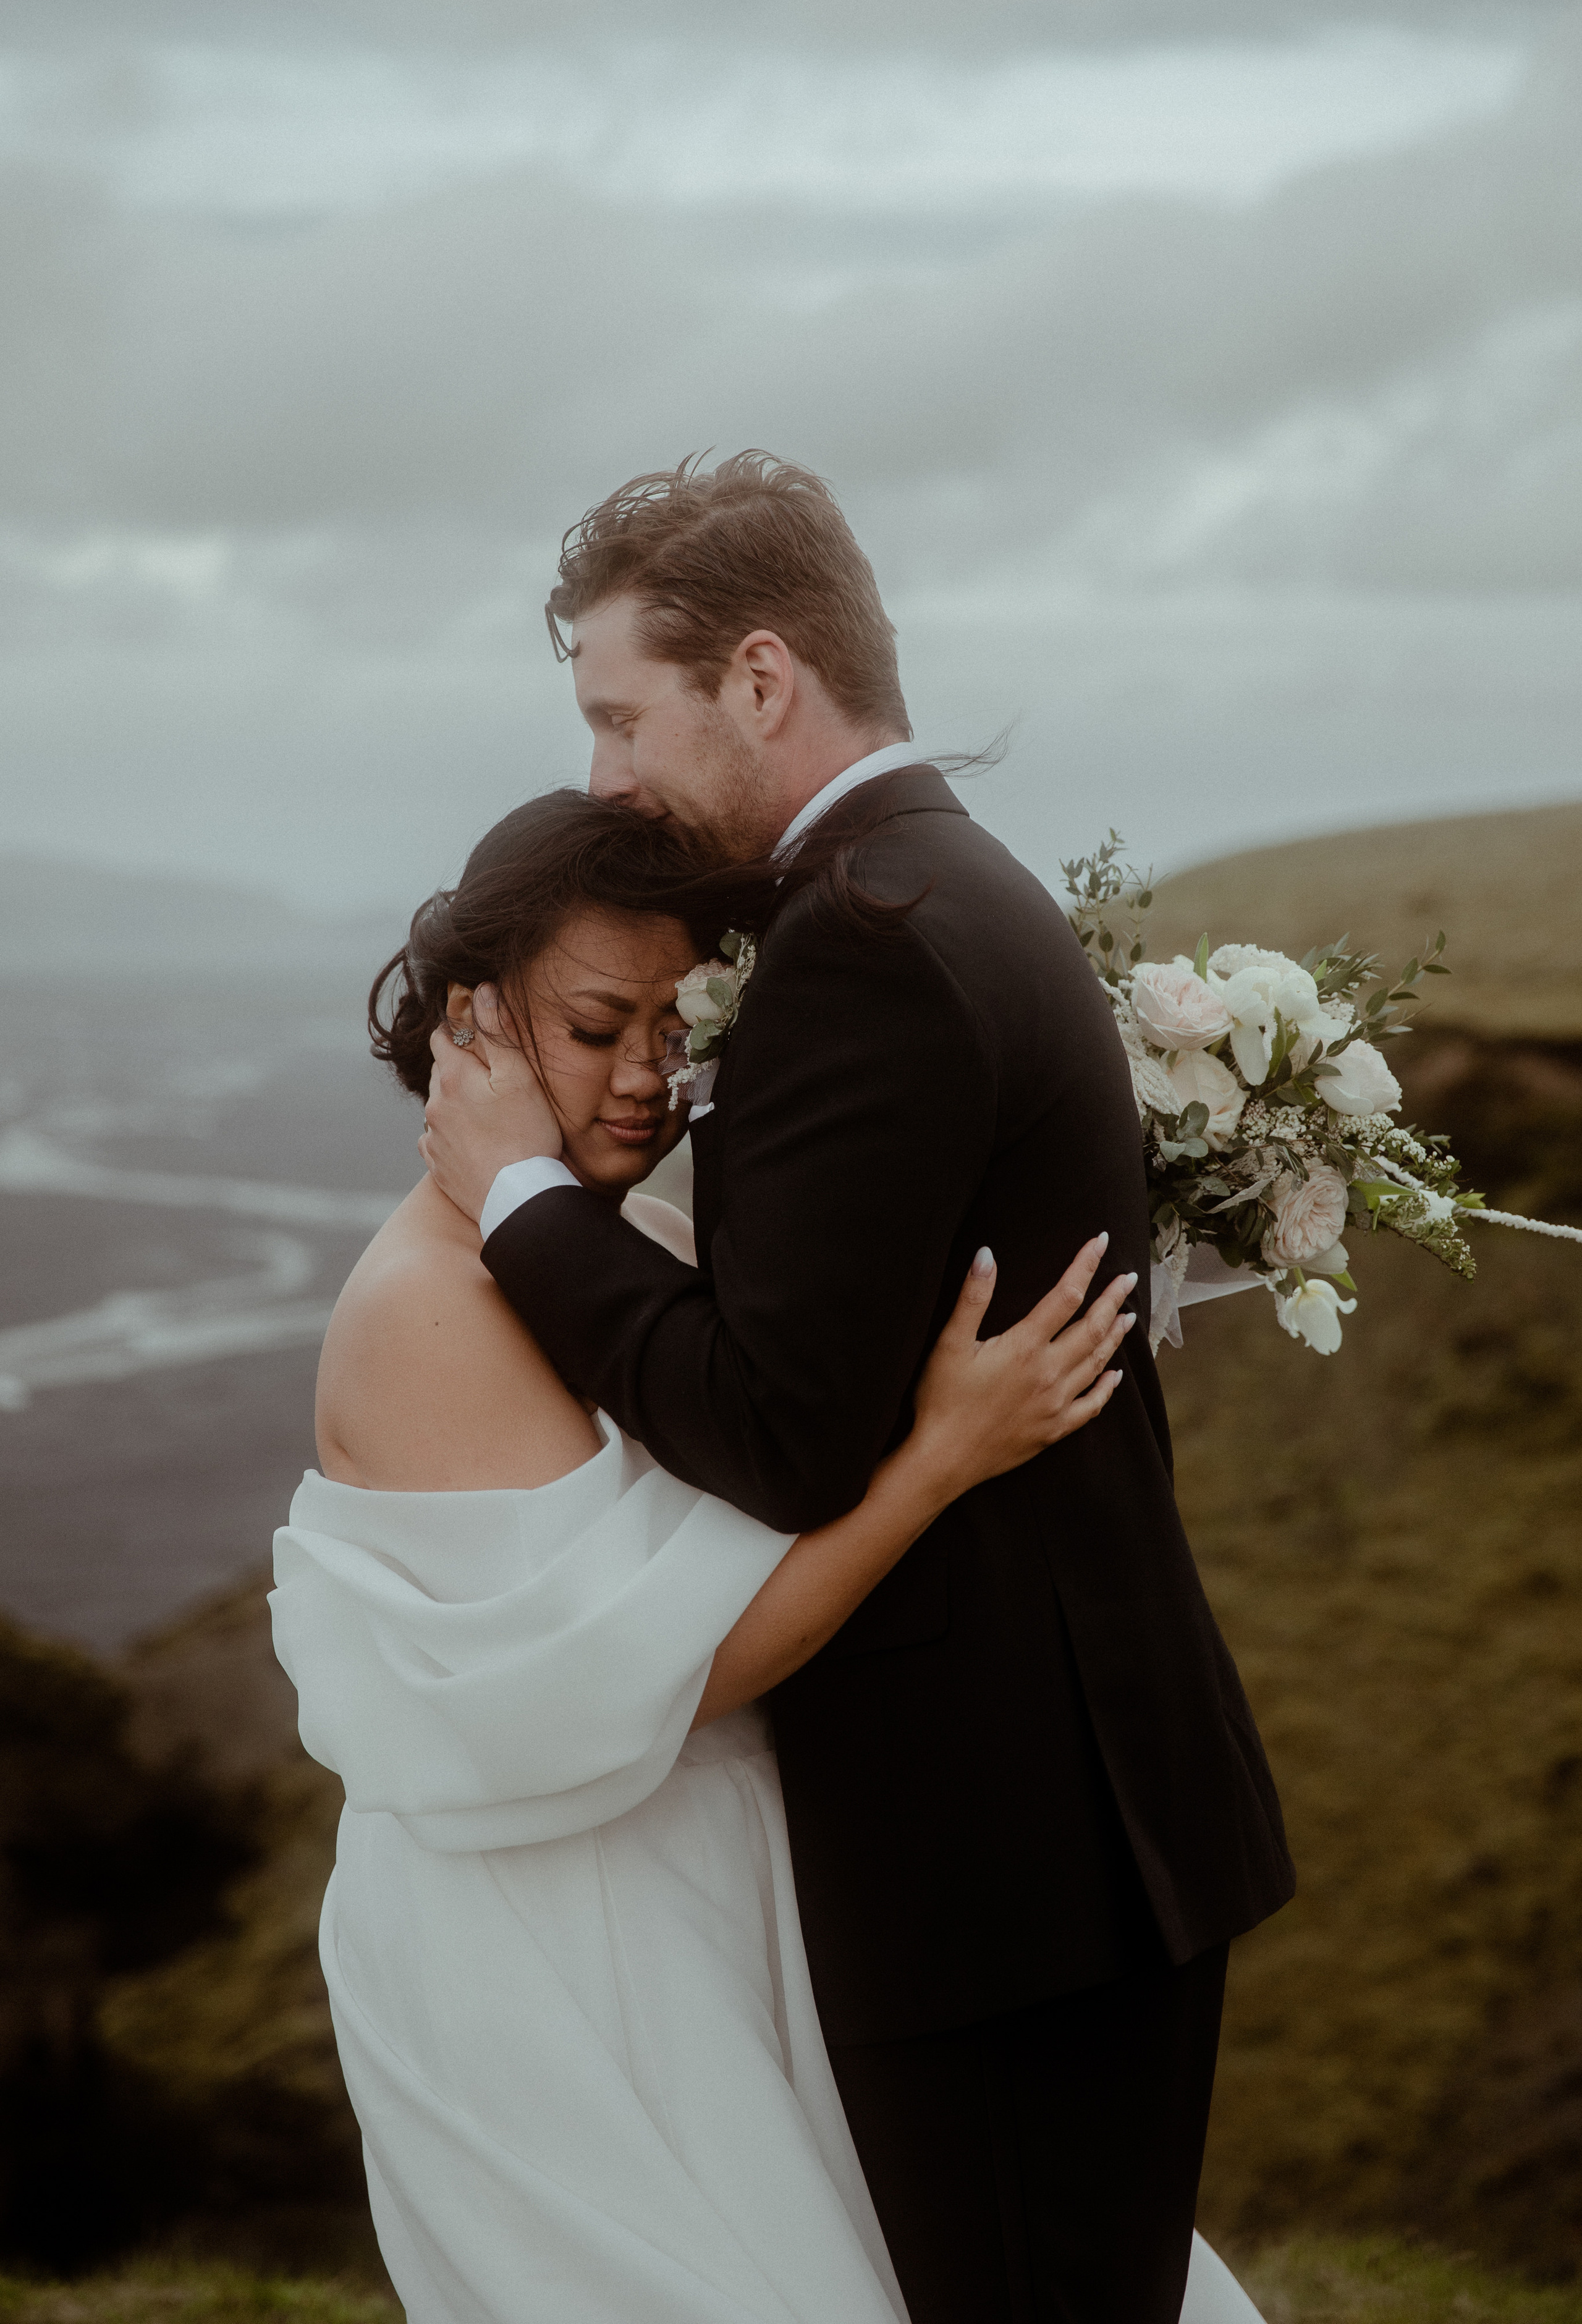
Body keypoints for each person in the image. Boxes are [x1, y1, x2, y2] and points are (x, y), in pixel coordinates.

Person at [420, 453, 1295, 2322]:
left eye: (618, 715)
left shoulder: (864, 944)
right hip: (1083, 1824)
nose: (602, 778)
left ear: (757, 678)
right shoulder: (952, 882)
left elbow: (779, 1428)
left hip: (998, 1856)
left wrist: (508, 1200)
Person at [270, 790, 1142, 2323]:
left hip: (697, 1904)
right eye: (599, 1025)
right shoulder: (428, 1306)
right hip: (549, 1962)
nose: (642, 1081)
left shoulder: (640, 1250)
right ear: (470, 1019)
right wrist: (944, 1458)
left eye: (680, 1032)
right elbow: (681, 1671)